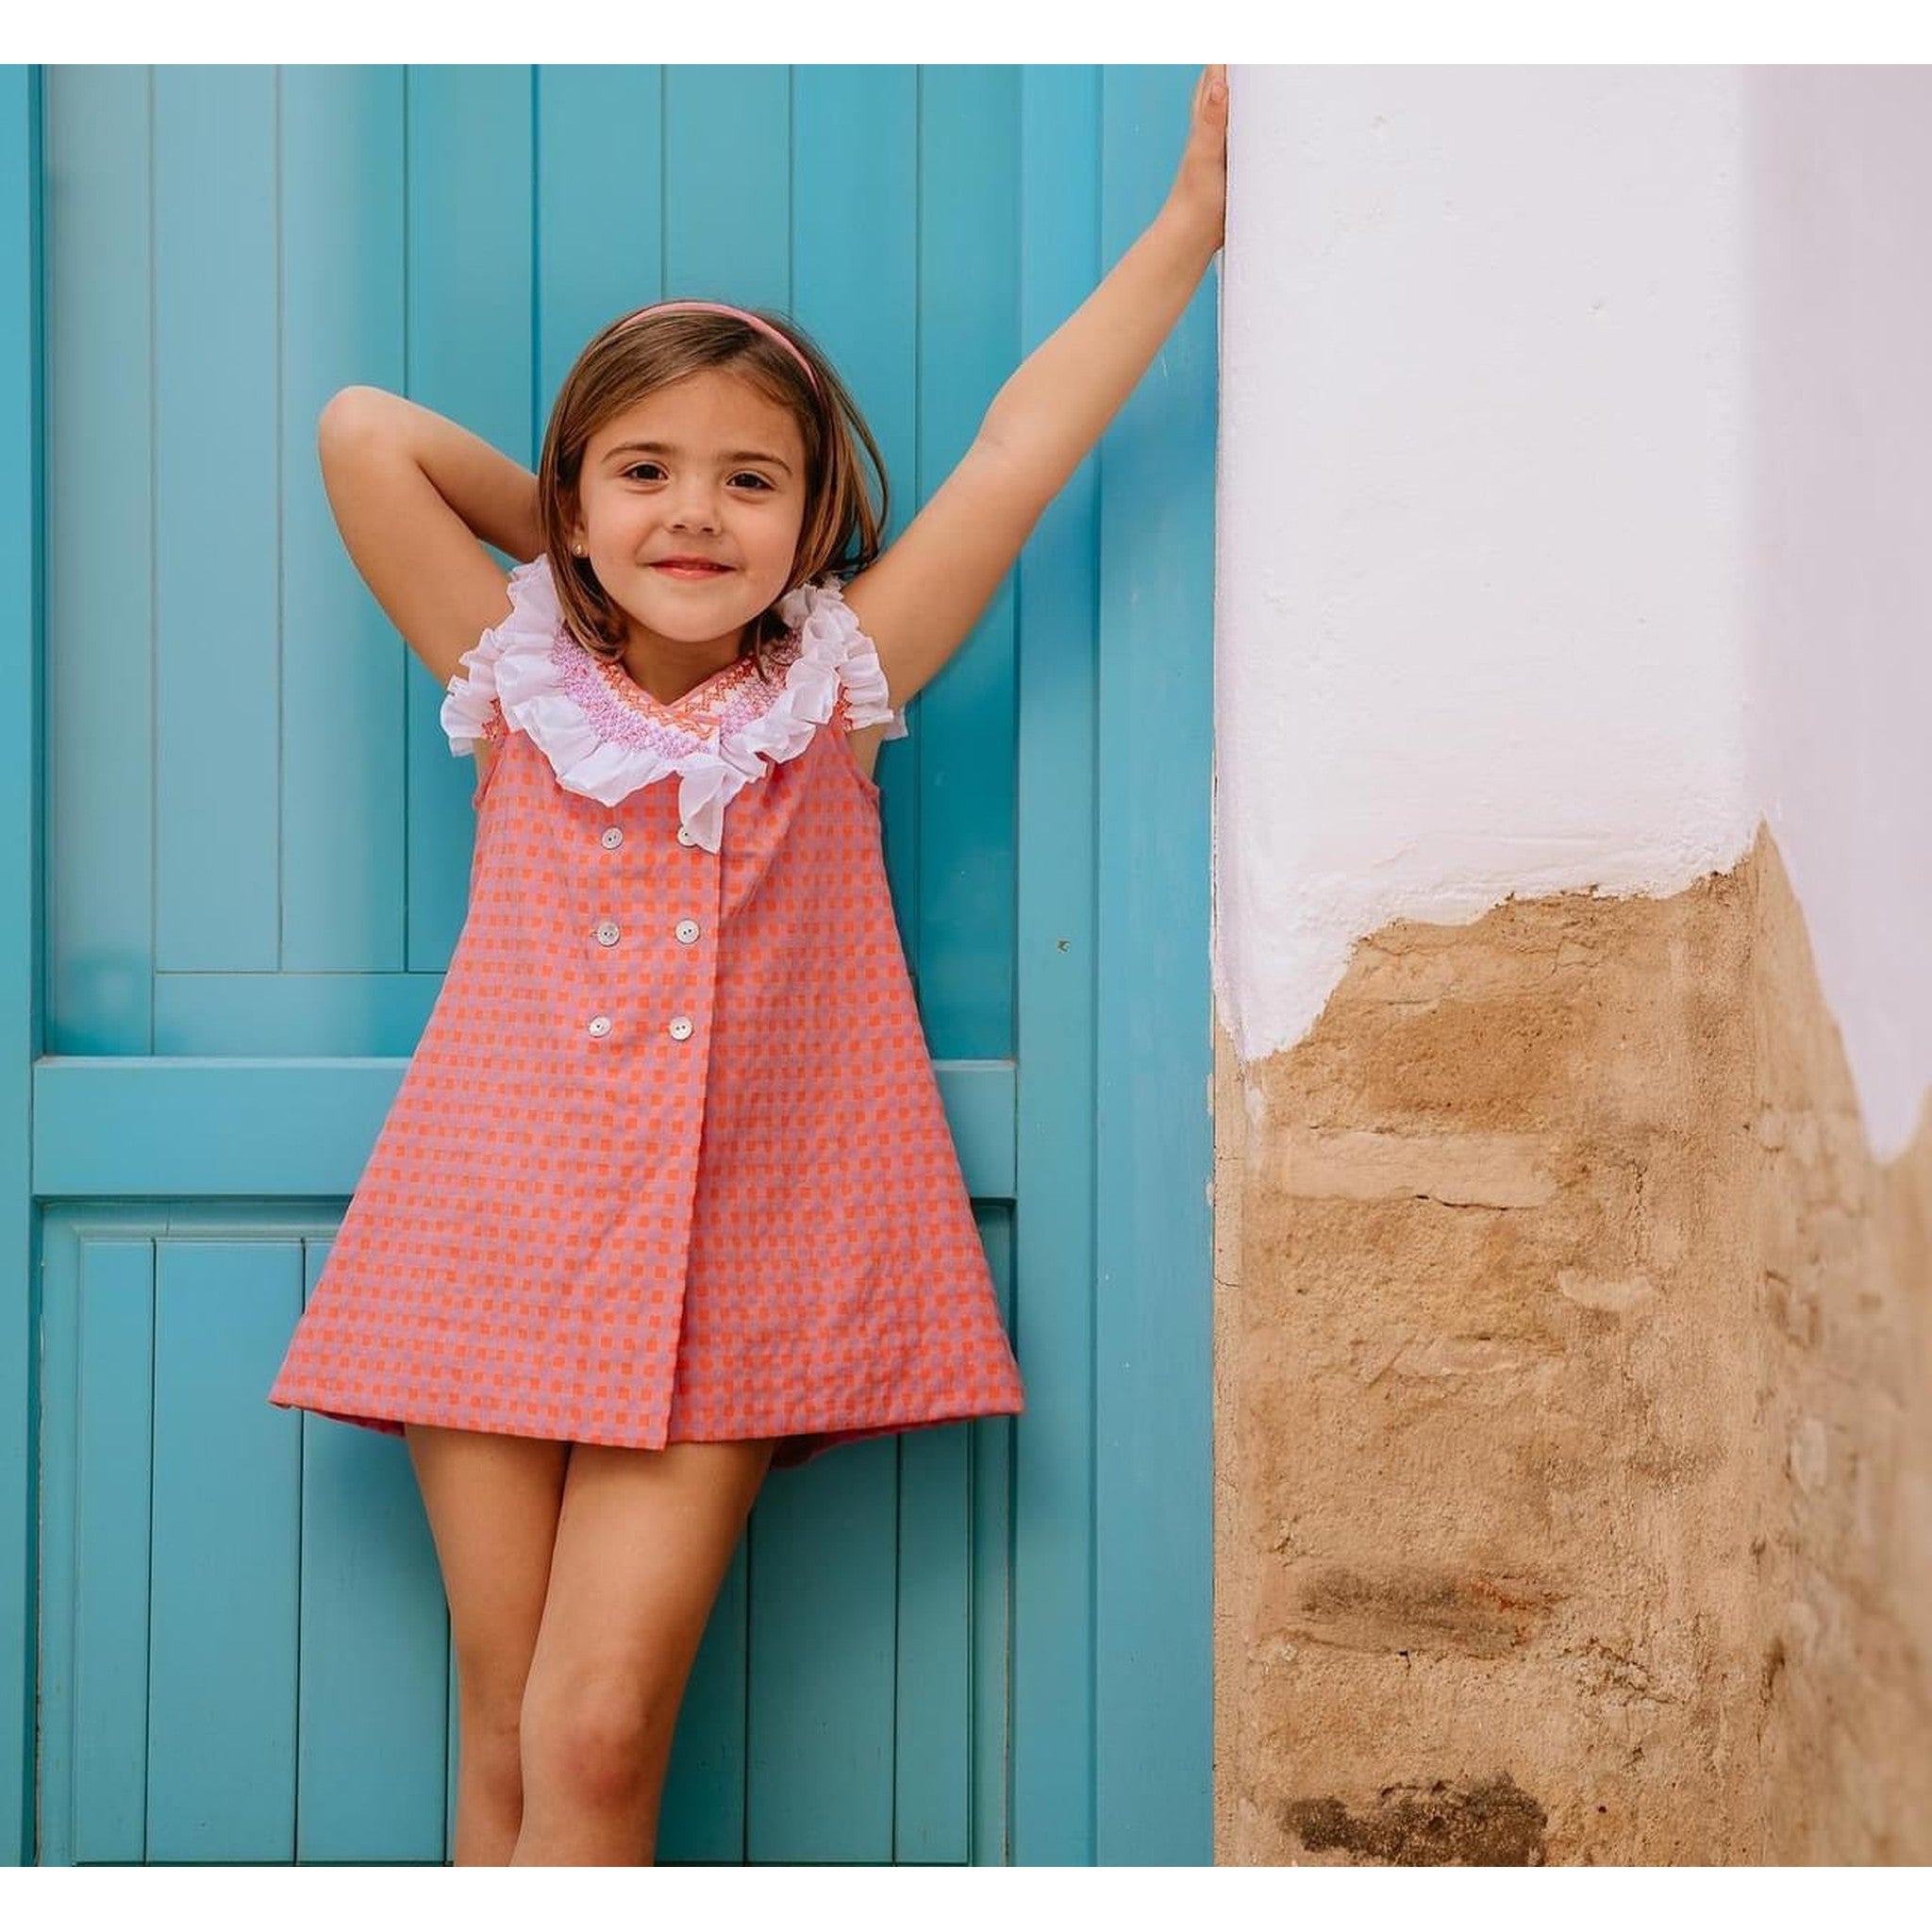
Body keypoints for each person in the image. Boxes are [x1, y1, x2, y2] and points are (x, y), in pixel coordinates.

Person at [267, 64, 1228, 1868]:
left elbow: (1023, 450)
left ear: (812, 514)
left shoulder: (837, 695)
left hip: (735, 1260)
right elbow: (360, 431)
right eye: (647, 474)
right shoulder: (518, 675)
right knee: (501, 1731)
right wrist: (567, 539)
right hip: (492, 1225)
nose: (695, 514)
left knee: (600, 1727)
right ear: (571, 500)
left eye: (747, 481)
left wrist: (1193, 223)